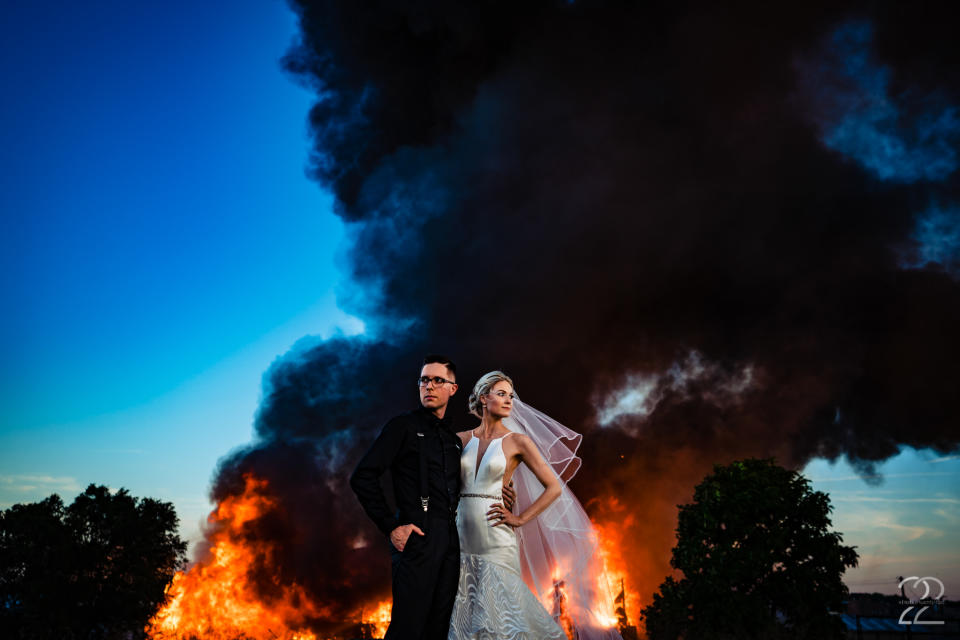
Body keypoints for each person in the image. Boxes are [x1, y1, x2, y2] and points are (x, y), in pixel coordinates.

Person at [349, 355, 516, 640]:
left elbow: (463, 487)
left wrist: (498, 490)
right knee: (408, 629)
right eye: (424, 380)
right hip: (417, 536)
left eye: (438, 380)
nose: (429, 386)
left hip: (452, 542)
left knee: (439, 630)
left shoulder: (452, 441)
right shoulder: (402, 426)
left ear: (453, 388)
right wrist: (391, 526)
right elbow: (362, 476)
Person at [448, 371, 623, 640]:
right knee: (463, 617)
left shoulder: (519, 442)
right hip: (459, 534)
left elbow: (553, 487)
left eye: (510, 395)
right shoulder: (459, 439)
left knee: (501, 616)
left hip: (496, 534)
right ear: (484, 398)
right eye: (501, 394)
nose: (509, 401)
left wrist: (519, 518)